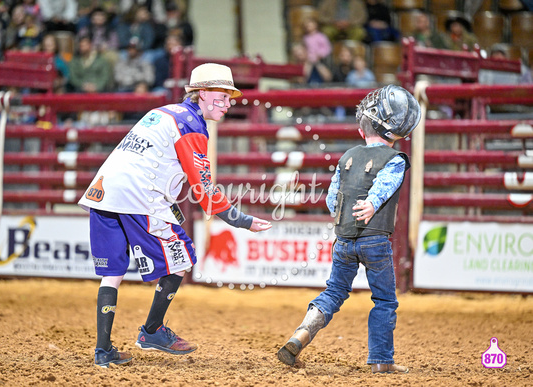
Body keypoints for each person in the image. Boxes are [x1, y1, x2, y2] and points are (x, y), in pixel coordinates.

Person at [77, 63, 273, 368]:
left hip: (103, 190)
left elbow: (153, 165)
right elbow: (203, 185)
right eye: (222, 97)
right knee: (182, 257)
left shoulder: (162, 113)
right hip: (138, 196)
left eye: (229, 98)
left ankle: (104, 351)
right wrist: (240, 219)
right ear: (202, 94)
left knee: (112, 274)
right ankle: (152, 331)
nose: (228, 103)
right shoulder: (192, 125)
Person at [277, 84, 421, 374]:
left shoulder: (347, 158)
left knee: (334, 292)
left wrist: (344, 218)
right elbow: (386, 184)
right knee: (384, 300)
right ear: (396, 134)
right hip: (375, 242)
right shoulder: (395, 159)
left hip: (343, 241)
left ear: (361, 131)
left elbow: (333, 198)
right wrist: (371, 203)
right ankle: (381, 360)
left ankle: (301, 334)